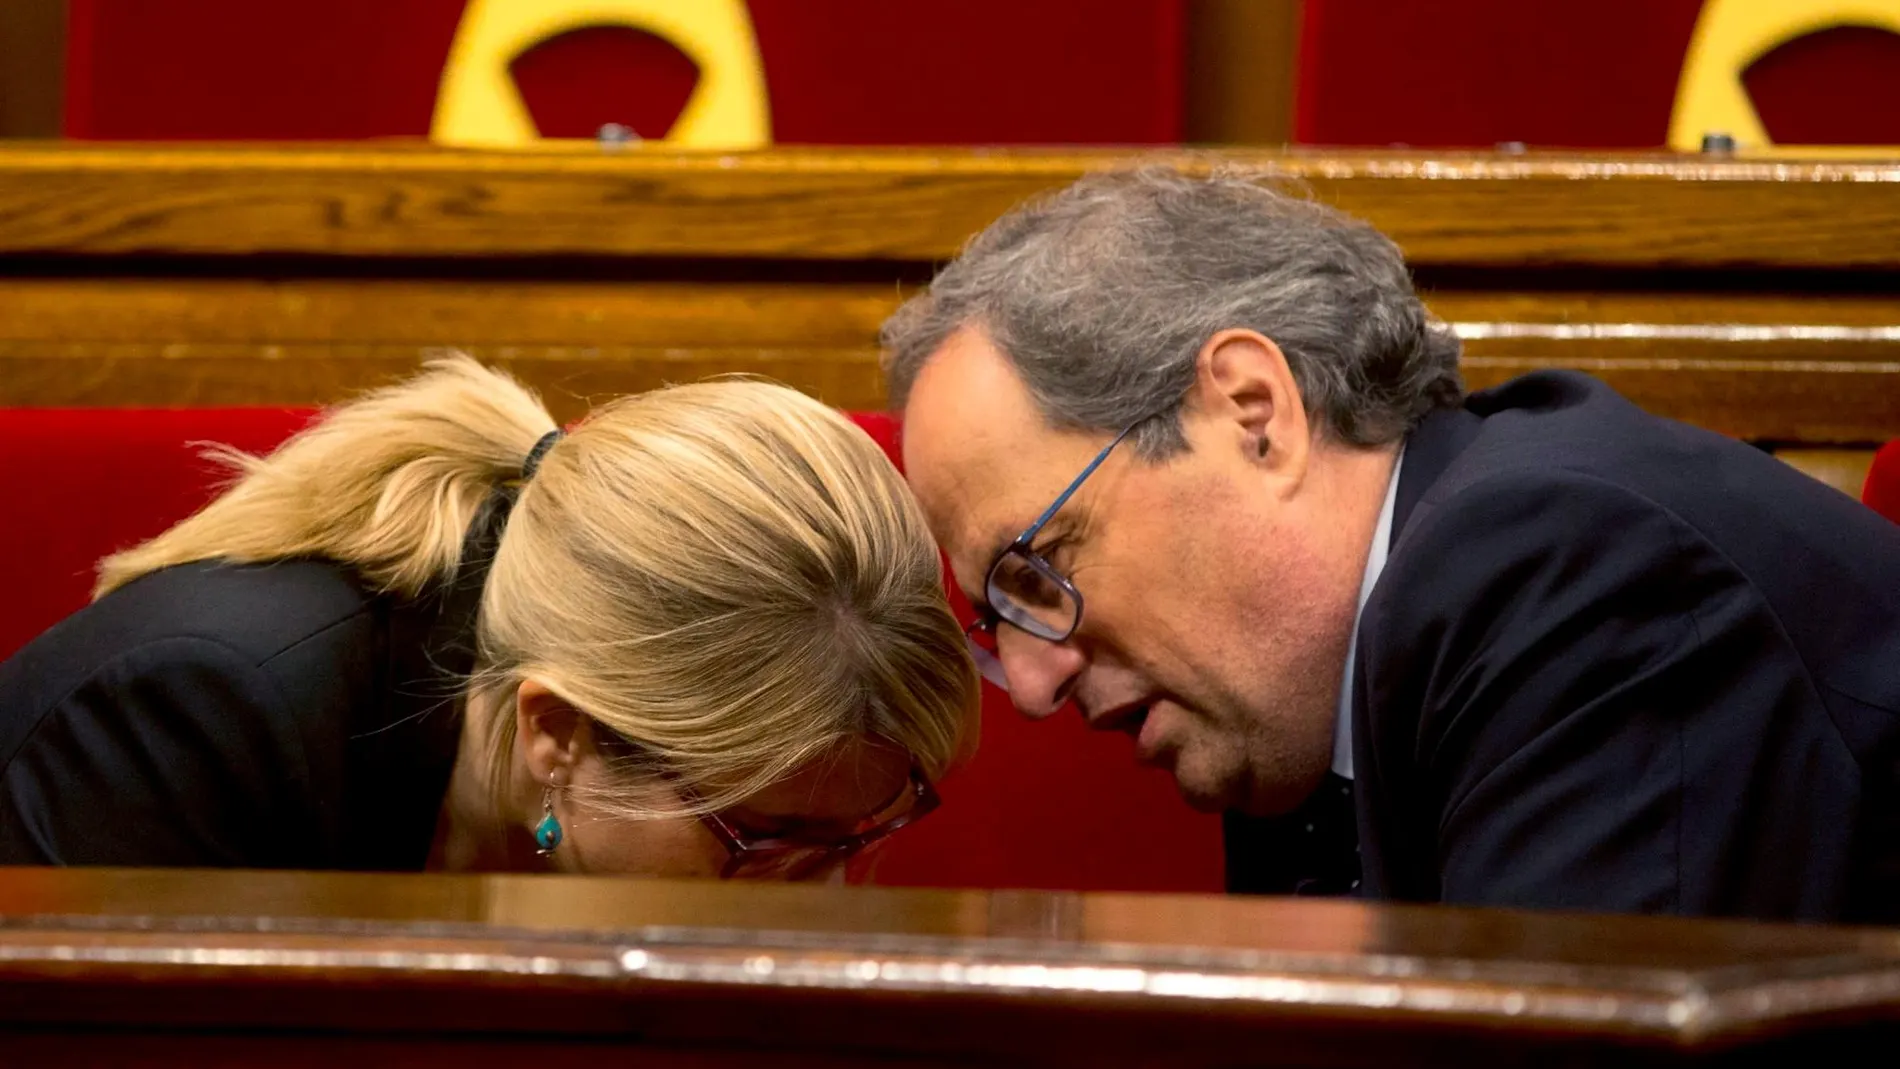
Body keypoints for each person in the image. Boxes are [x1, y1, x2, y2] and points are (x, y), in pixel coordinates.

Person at [881, 167, 1900, 922]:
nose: (1028, 684)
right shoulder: (1295, 684)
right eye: (996, 614)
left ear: (1252, 413)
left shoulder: (1569, 568)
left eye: (1039, 568)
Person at [0, 358, 975, 878]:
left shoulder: (584, 790)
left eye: (859, 834)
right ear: (554, 733)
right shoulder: (196, 713)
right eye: (767, 843)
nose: (826, 899)